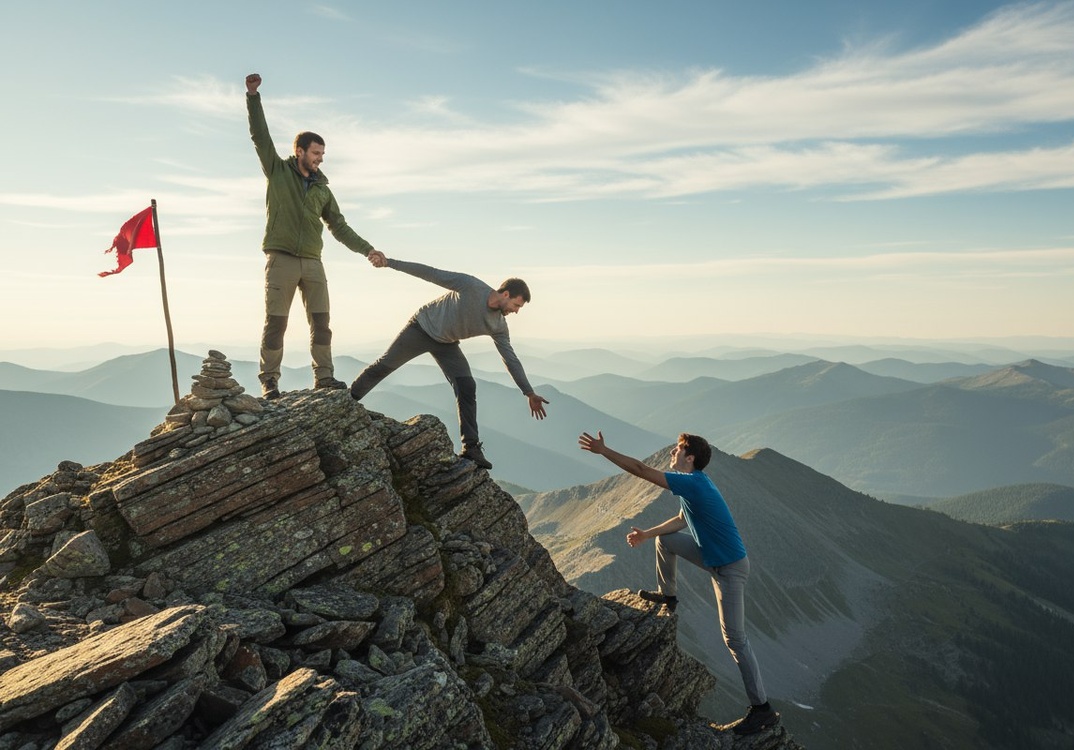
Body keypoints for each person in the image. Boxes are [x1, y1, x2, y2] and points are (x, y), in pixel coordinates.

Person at [577, 430, 779, 736]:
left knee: (735, 640)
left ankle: (762, 709)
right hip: (713, 558)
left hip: (730, 569)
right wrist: (647, 534)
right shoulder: (693, 489)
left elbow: (641, 471)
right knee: (665, 540)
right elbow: (681, 521)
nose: (672, 453)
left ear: (690, 457)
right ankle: (668, 595)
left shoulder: (693, 482)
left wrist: (605, 451)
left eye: (677, 449)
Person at [245, 72, 381, 399]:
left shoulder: (322, 189)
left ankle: (325, 378)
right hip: (281, 260)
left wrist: (368, 250)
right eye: (316, 153)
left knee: (322, 323)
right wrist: (253, 97)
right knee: (276, 324)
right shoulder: (278, 171)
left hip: (313, 262)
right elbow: (259, 136)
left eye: (322, 154)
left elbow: (340, 226)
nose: (320, 159)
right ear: (301, 151)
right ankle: (270, 383)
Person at [351, 253, 550, 469]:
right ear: (506, 293)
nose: (516, 311)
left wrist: (528, 392)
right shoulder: (470, 286)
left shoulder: (499, 325)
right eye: (516, 305)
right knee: (384, 365)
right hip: (422, 327)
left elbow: (510, 358)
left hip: (447, 343)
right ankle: (348, 401)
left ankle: (471, 448)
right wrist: (389, 263)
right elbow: (430, 274)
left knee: (466, 386)